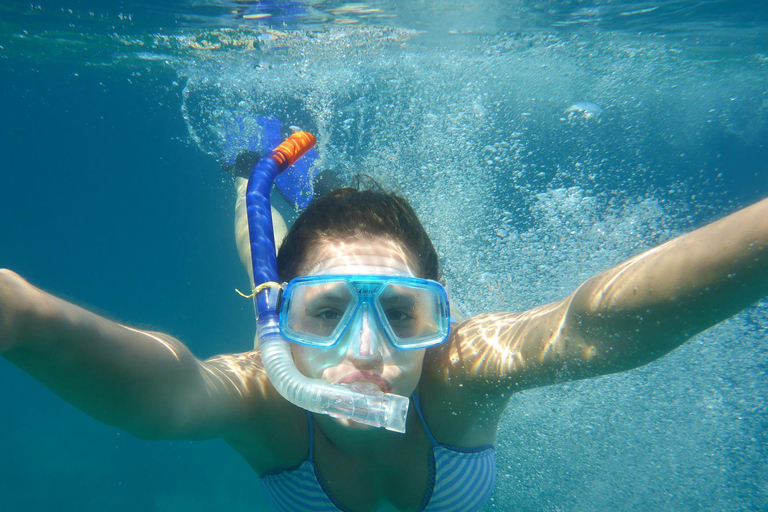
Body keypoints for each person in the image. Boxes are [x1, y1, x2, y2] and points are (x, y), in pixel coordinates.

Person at [1, 136, 766, 511]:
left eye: (401, 313)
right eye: (326, 313)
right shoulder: (266, 399)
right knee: (260, 249)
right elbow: (165, 392)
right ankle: (252, 176)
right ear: (279, 323)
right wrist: (23, 317)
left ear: (437, 314)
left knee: (307, 269)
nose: (365, 351)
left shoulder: (458, 371)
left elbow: (594, 324)